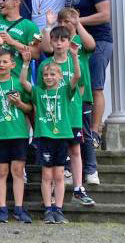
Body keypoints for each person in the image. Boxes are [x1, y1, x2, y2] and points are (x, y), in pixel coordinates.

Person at [19, 45, 81, 225]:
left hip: (61, 137)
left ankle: (59, 209)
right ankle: (48, 209)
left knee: (59, 175)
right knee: (47, 175)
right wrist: (25, 63)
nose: (48, 77)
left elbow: (77, 76)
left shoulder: (64, 91)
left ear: (60, 77)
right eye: (46, 75)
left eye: (53, 74)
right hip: (45, 137)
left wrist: (75, 57)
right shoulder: (39, 92)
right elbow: (23, 82)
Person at [38, 25, 96, 207]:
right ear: (51, 42)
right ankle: (54, 193)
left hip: (73, 114)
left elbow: (81, 86)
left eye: (63, 40)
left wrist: (74, 104)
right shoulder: (45, 65)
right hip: (54, 119)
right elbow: (40, 91)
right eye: (55, 40)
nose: (59, 43)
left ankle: (78, 188)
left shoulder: (75, 61)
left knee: (76, 150)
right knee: (55, 156)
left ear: (68, 42)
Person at [65, 0, 111, 149]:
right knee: (80, 83)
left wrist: (77, 22)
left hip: (99, 41)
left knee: (96, 86)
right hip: (79, 42)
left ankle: (95, 132)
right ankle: (82, 129)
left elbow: (105, 15)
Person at [0, 49, 33, 223]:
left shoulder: (19, 83)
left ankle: (19, 208)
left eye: (5, 62)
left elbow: (29, 109)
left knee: (18, 171)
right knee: (1, 172)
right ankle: (2, 207)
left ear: (13, 64)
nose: (2, 65)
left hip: (18, 133)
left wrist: (19, 103)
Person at [56, 8, 99, 185]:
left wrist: (78, 23)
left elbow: (91, 45)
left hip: (82, 95)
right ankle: (67, 169)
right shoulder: (59, 41)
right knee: (67, 133)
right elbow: (45, 47)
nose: (65, 24)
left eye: (68, 21)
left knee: (85, 134)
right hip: (64, 96)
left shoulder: (79, 39)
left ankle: (91, 169)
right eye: (62, 21)